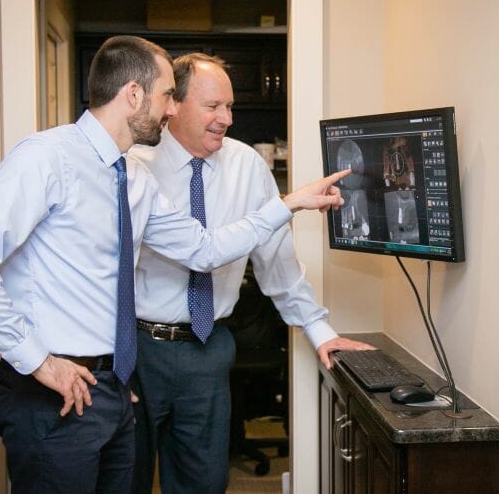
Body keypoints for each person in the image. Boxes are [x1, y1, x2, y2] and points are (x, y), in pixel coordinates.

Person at [0, 37, 348, 494]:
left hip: (108, 386)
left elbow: (203, 250)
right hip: (51, 390)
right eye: (169, 95)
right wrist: (38, 360)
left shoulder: (133, 179)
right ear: (133, 94)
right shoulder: (47, 157)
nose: (171, 111)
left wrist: (289, 204)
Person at [128, 53, 374, 494]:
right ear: (173, 106)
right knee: (124, 477)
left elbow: (276, 261)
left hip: (208, 349)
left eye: (230, 106)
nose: (226, 118)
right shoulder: (135, 165)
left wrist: (319, 330)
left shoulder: (246, 166)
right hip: (139, 351)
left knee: (202, 482)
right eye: (212, 106)